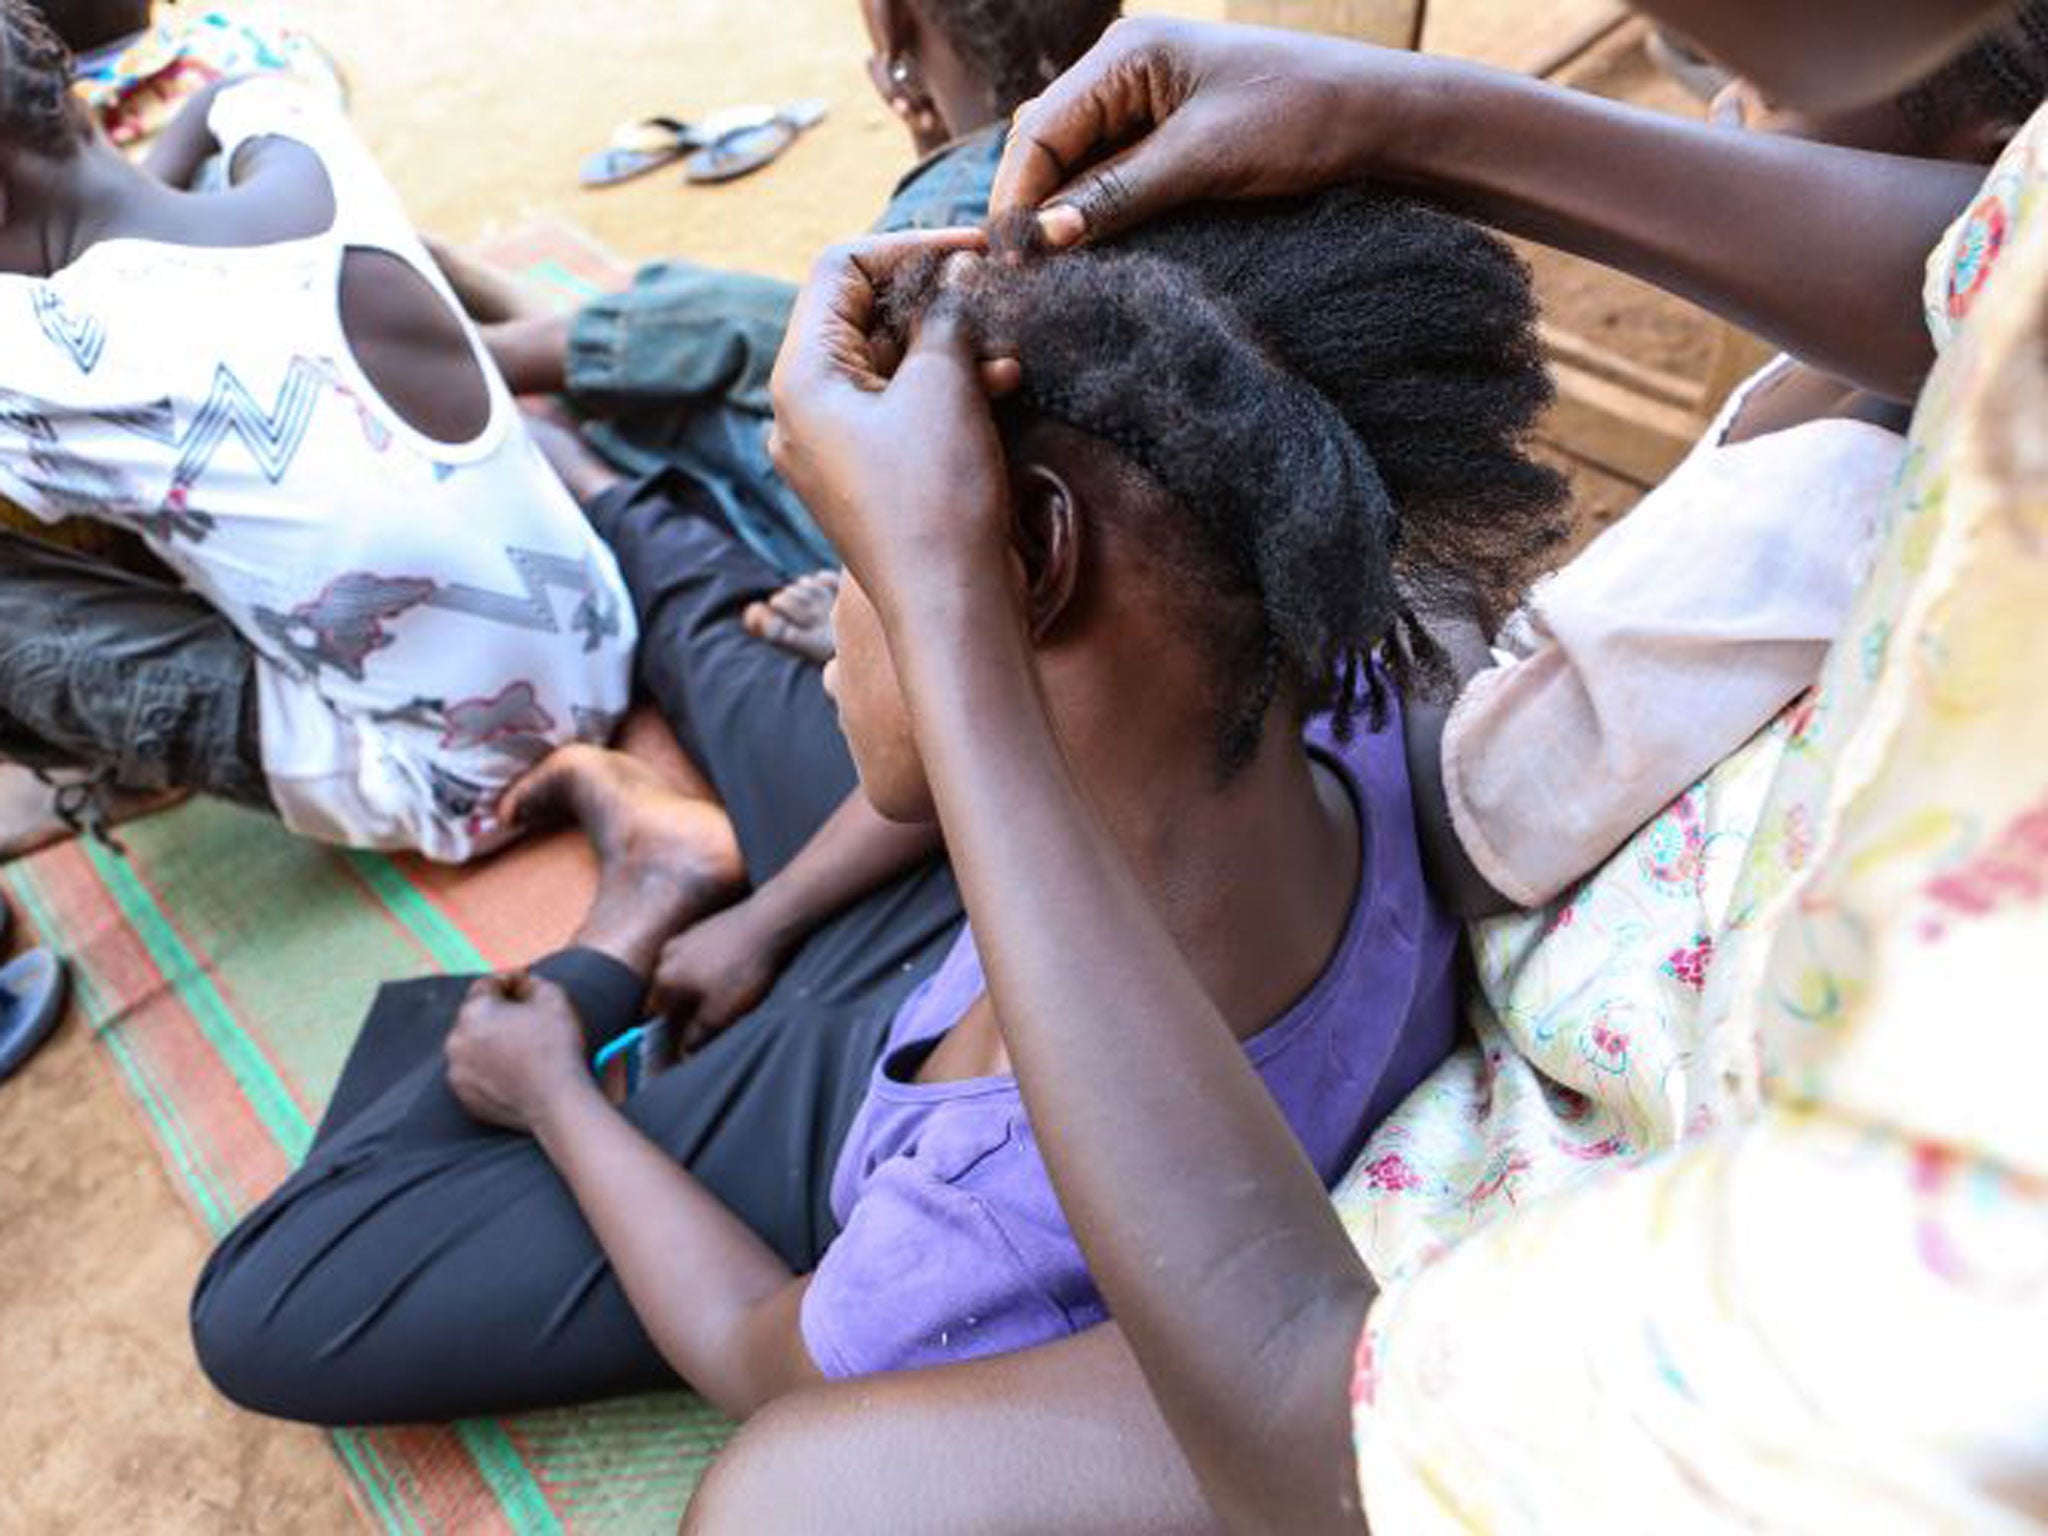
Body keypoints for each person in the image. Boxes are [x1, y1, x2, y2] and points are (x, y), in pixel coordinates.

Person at [681, 4, 2048, 1531]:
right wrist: (1389, 114)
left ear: (1029, 558)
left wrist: (946, 613)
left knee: (799, 1500)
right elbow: (1996, 273)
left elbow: (1311, 1449)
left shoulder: (1979, 1213)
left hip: (1465, 1333)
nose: (1694, 72)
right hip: (1594, 981)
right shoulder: (1362, 749)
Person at [187, 186, 1571, 1428]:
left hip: (921, 1066)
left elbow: (758, 1356)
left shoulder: (986, 1227)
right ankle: (603, 502)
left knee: (273, 1304)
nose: (845, 622)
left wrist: (558, 1097)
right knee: (743, 653)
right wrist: (776, 911)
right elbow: (974, 737)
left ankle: (629, 911)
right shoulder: (1332, 673)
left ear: (1013, 562)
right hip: (945, 930)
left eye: (858, 564)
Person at [0, 5, 635, 862]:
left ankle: (115, 767)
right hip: (599, 633)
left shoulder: (38, 362)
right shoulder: (302, 146)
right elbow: (228, 98)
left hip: (451, 778)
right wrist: (148, 177)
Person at [449, 0, 1122, 585]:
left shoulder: (938, 219)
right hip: (1056, 502)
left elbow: (880, 463)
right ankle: (560, 327)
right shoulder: (1169, 116)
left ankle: (516, 353)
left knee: (714, 378)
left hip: (903, 545)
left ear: (888, 17)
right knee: (745, 315)